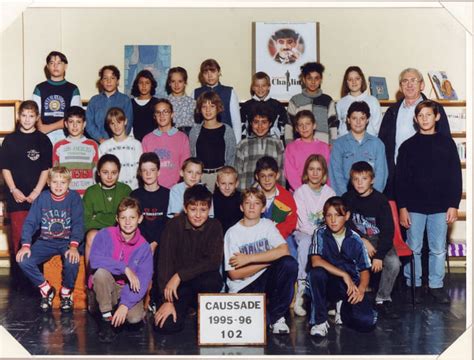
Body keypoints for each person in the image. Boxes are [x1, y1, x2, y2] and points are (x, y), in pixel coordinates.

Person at [396, 100, 461, 304]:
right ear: (415, 119)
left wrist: (453, 204)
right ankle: (412, 284)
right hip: (414, 206)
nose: (425, 119)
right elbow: (401, 180)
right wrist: (402, 208)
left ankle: (436, 285)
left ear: (437, 117)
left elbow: (455, 176)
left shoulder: (447, 143)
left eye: (428, 115)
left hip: (440, 206)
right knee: (413, 247)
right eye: (420, 115)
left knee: (438, 248)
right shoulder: (408, 146)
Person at [224, 188, 298, 334]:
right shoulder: (232, 233)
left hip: (264, 280)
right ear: (241, 207)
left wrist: (248, 258)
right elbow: (234, 274)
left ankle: (277, 317)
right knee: (254, 330)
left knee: (289, 264)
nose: (252, 207)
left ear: (263, 208)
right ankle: (264, 314)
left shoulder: (267, 225)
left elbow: (284, 251)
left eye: (256, 203)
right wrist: (268, 261)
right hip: (242, 287)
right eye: (248, 203)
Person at [154, 185, 223, 334]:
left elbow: (213, 261)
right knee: (166, 325)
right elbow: (164, 264)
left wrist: (180, 275)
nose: (198, 215)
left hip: (200, 281)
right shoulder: (173, 225)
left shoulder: (215, 226)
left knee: (213, 280)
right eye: (193, 209)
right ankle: (186, 307)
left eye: (203, 210)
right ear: (185, 208)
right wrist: (167, 301)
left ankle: (198, 308)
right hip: (178, 287)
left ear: (209, 209)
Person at [16, 166, 83, 312]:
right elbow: (30, 222)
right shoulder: (42, 198)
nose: (58, 186)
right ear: (48, 182)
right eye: (55, 182)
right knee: (23, 260)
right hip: (45, 241)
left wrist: (73, 246)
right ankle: (46, 289)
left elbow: (78, 223)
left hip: (66, 241)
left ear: (69, 183)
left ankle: (66, 292)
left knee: (73, 261)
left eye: (63, 182)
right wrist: (26, 244)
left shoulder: (74, 198)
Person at [307, 196, 376, 337]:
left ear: (347, 216)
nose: (333, 220)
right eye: (329, 215)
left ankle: (342, 308)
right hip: (328, 284)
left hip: (348, 287)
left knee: (367, 322)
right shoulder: (319, 233)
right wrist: (344, 275)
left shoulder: (355, 238)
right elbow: (315, 261)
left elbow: (364, 271)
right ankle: (320, 321)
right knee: (316, 273)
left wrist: (361, 290)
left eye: (338, 215)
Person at [378, 68, 451, 199]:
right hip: (397, 178)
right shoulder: (391, 112)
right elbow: (382, 146)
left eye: (414, 80)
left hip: (429, 178)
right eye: (405, 81)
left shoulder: (435, 108)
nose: (409, 84)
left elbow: (445, 144)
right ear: (400, 87)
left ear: (422, 85)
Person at [89, 197, 153, 343]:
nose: (128, 222)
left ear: (140, 219)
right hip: (108, 287)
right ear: (117, 218)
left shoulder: (144, 247)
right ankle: (106, 320)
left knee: (134, 318)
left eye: (132, 217)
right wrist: (125, 269)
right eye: (123, 217)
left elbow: (143, 281)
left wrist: (125, 305)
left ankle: (120, 312)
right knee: (100, 273)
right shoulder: (105, 234)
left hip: (127, 289)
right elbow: (94, 260)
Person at [0, 100, 52, 281]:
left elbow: (46, 169)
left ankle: (38, 279)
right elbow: (5, 168)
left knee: (39, 236)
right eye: (24, 115)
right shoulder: (9, 140)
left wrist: (37, 192)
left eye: (31, 116)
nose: (27, 119)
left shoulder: (43, 140)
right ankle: (20, 278)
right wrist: (14, 190)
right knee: (19, 237)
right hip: (17, 198)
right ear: (18, 116)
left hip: (38, 197)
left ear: (37, 118)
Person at [342, 161, 400, 318]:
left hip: (378, 239)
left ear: (372, 180)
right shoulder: (347, 198)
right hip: (354, 238)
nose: (360, 183)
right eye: (356, 179)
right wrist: (362, 240)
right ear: (351, 180)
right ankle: (348, 297)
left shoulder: (381, 201)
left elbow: (388, 232)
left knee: (393, 262)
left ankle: (382, 299)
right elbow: (343, 224)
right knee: (345, 259)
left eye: (364, 179)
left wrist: (379, 256)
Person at [292, 154, 335, 316]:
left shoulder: (330, 193)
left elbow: (332, 218)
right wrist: (318, 236)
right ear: (306, 172)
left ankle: (330, 295)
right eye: (311, 169)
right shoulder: (300, 192)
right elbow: (303, 223)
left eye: (319, 169)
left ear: (324, 172)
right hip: (303, 232)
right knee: (306, 244)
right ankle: (302, 291)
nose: (315, 173)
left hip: (324, 232)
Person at [130, 152, 170, 312]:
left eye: (152, 170)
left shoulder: (168, 194)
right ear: (140, 172)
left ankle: (159, 298)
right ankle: (137, 298)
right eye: (144, 170)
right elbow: (134, 223)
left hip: (162, 241)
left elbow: (168, 222)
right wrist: (147, 243)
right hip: (141, 242)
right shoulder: (135, 195)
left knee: (164, 259)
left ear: (159, 172)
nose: (148, 174)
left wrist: (155, 242)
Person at [329, 101, 388, 196]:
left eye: (362, 118)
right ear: (348, 120)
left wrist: (372, 197)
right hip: (346, 198)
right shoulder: (339, 144)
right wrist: (345, 197)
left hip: (371, 199)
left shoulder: (377, 144)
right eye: (354, 118)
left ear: (367, 120)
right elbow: (335, 174)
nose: (358, 122)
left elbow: (381, 175)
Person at [83, 154, 132, 265]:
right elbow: (86, 220)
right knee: (92, 235)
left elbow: (129, 217)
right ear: (99, 172)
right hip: (97, 231)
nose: (109, 177)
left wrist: (99, 217)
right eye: (105, 172)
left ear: (118, 173)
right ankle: (89, 277)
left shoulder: (125, 190)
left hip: (120, 230)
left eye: (113, 173)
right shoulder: (91, 191)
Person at [189, 91, 236, 191]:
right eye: (204, 106)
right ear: (199, 109)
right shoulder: (195, 131)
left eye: (212, 106)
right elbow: (192, 156)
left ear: (218, 108)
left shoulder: (227, 130)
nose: (208, 110)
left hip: (220, 178)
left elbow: (231, 158)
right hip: (200, 178)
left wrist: (226, 179)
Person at [32, 51, 81, 145]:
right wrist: (41, 128)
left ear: (65, 66)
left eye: (59, 63)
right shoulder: (39, 88)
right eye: (52, 63)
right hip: (43, 132)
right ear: (47, 66)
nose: (55, 66)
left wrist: (49, 128)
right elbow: (35, 112)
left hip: (66, 132)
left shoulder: (73, 89)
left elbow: (74, 115)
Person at [142, 99, 191, 189]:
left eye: (166, 112)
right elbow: (145, 168)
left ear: (172, 114)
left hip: (175, 188)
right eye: (158, 112)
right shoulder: (147, 139)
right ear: (154, 116)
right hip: (154, 188)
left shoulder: (182, 138)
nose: (162, 115)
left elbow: (186, 166)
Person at [235, 102, 284, 191]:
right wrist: (241, 194)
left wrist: (281, 195)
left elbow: (281, 172)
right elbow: (237, 173)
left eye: (264, 122)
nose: (260, 126)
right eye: (256, 122)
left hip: (272, 195)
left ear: (270, 123)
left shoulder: (278, 144)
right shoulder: (243, 144)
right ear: (250, 123)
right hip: (248, 195)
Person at [286, 62, 338, 144]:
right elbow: (289, 126)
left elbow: (333, 126)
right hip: (300, 147)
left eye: (316, 78)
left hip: (323, 147)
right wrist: (289, 144)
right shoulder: (295, 101)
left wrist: (332, 144)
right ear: (303, 79)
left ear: (321, 79)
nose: (313, 82)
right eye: (309, 78)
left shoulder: (327, 100)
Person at [254, 156, 297, 254]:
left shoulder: (286, 196)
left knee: (292, 251)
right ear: (257, 177)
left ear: (277, 175)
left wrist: (275, 235)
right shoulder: (252, 196)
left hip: (282, 235)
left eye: (270, 175)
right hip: (258, 236)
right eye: (263, 176)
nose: (267, 180)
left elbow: (291, 221)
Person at [53, 106, 99, 196]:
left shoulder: (92, 145)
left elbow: (96, 171)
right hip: (66, 194)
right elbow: (55, 172)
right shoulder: (58, 146)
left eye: (78, 122)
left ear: (84, 124)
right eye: (71, 122)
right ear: (66, 124)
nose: (75, 125)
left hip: (87, 194)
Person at [193, 59, 242, 142]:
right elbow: (194, 122)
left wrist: (236, 144)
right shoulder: (195, 93)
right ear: (202, 75)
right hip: (203, 139)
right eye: (206, 73)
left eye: (213, 71)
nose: (210, 76)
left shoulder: (229, 92)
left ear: (219, 72)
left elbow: (236, 122)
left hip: (224, 138)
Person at [284, 110, 331, 192]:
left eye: (307, 124)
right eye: (300, 125)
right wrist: (305, 192)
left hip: (321, 192)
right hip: (298, 192)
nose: (304, 128)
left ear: (314, 125)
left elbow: (328, 173)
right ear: (296, 129)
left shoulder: (324, 147)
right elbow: (290, 174)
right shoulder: (291, 147)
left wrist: (325, 191)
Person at [85, 65, 133, 144]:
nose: (109, 81)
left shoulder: (125, 100)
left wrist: (116, 140)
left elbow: (128, 124)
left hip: (119, 143)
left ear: (117, 81)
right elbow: (89, 123)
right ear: (101, 81)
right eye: (105, 78)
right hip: (98, 143)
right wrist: (100, 139)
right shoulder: (94, 100)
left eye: (112, 78)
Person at [99, 107, 143, 190]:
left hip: (134, 189)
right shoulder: (104, 147)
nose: (116, 126)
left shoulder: (136, 145)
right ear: (108, 125)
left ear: (125, 121)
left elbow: (140, 169)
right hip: (114, 190)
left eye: (119, 122)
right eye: (112, 123)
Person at [239, 71, 288, 141]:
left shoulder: (277, 105)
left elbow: (284, 126)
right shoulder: (246, 106)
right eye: (257, 86)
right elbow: (241, 127)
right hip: (251, 145)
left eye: (263, 86)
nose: (260, 89)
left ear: (269, 87)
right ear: (253, 87)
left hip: (273, 145)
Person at [336, 66, 382, 137]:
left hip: (368, 144)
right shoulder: (340, 103)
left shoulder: (373, 101)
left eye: (357, 79)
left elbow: (378, 127)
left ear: (362, 80)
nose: (354, 82)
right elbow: (338, 129)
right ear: (346, 82)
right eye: (350, 79)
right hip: (347, 145)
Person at [166, 67, 196, 135]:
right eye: (173, 81)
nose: (176, 85)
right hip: (170, 137)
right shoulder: (165, 103)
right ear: (169, 83)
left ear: (185, 82)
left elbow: (196, 126)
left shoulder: (193, 103)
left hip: (188, 138)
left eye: (180, 81)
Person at [130, 69, 159, 141]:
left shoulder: (157, 103)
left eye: (147, 83)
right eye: (141, 83)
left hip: (153, 141)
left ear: (152, 85)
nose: (144, 86)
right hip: (134, 141)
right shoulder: (130, 103)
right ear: (137, 84)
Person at [212, 166, 242, 234]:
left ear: (236, 184)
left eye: (231, 183)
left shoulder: (241, 198)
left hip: (237, 234)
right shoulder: (213, 199)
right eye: (223, 183)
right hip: (219, 234)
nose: (227, 187)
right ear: (217, 183)